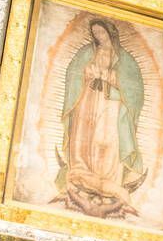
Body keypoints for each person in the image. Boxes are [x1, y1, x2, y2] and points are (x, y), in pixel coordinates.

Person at [53, 17, 146, 218]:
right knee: (84, 136)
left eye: (102, 33)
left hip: (111, 105)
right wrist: (86, 72)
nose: (99, 37)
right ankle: (81, 172)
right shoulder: (86, 53)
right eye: (95, 34)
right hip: (87, 100)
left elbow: (135, 89)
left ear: (111, 33)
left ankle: (108, 179)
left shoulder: (125, 60)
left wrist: (112, 78)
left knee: (106, 139)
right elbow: (73, 72)